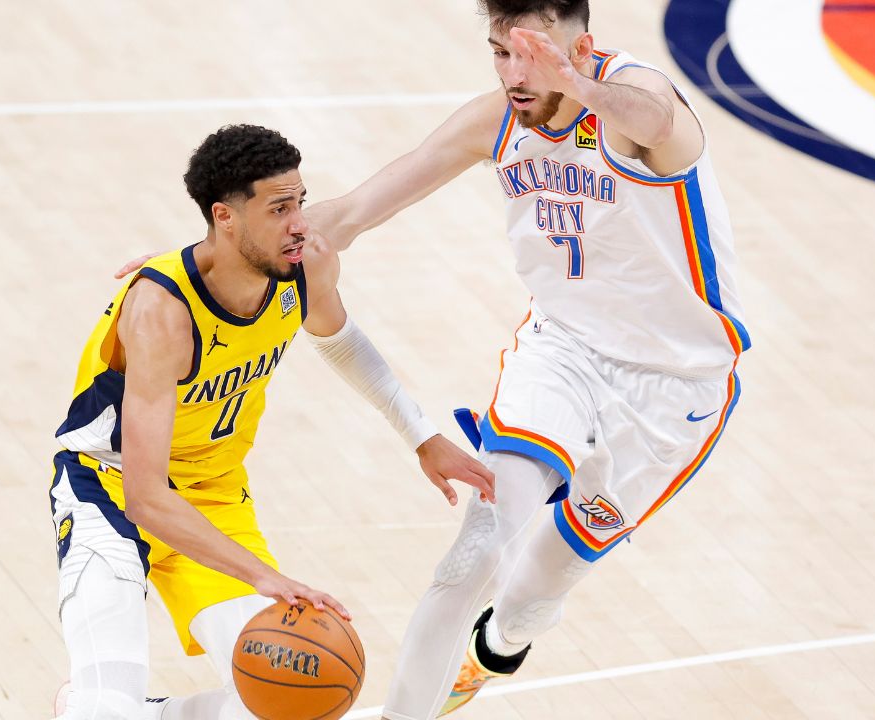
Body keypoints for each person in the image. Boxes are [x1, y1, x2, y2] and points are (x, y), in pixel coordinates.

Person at [302, 1, 751, 717]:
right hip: (562, 354)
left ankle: (499, 647)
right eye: (500, 53)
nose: (516, 74)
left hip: (674, 388)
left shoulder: (639, 105)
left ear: (584, 46)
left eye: (532, 54)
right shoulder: (495, 121)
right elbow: (349, 214)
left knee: (531, 590)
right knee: (477, 545)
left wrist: (576, 84)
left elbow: (655, 121)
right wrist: (199, 264)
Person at [49, 124, 493, 720]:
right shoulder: (161, 312)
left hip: (213, 495)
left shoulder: (300, 260)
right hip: (109, 487)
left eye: (301, 202)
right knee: (103, 707)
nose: (300, 223)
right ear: (225, 217)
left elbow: (340, 338)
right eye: (280, 208)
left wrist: (422, 436)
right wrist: (265, 578)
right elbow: (145, 497)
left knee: (283, 701)